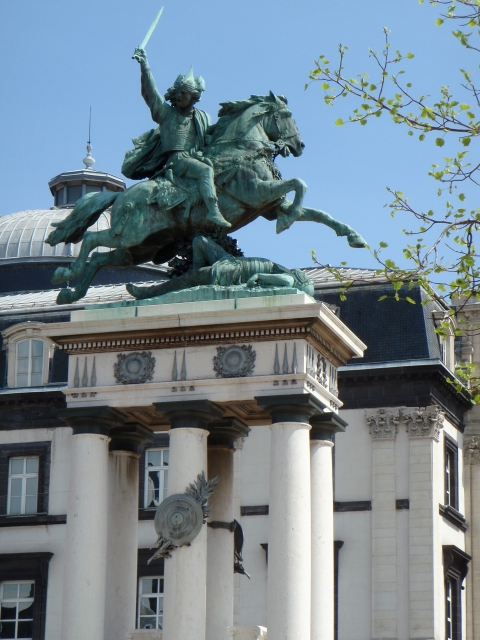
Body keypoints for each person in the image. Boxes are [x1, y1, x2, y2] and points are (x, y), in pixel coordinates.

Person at [122, 47, 230, 228]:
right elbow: (150, 94)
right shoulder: (166, 114)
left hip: (195, 157)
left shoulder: (202, 117)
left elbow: (206, 138)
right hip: (177, 160)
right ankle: (213, 211)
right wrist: (145, 67)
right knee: (205, 172)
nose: (179, 96)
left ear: (193, 97)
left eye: (184, 94)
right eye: (178, 92)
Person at [126, 236, 314, 299]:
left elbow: (259, 278)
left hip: (231, 272)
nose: (302, 274)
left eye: (304, 278)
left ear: (301, 282)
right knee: (199, 241)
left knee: (190, 278)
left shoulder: (289, 280)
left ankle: (148, 293)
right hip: (230, 261)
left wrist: (258, 278)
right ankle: (194, 278)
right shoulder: (284, 271)